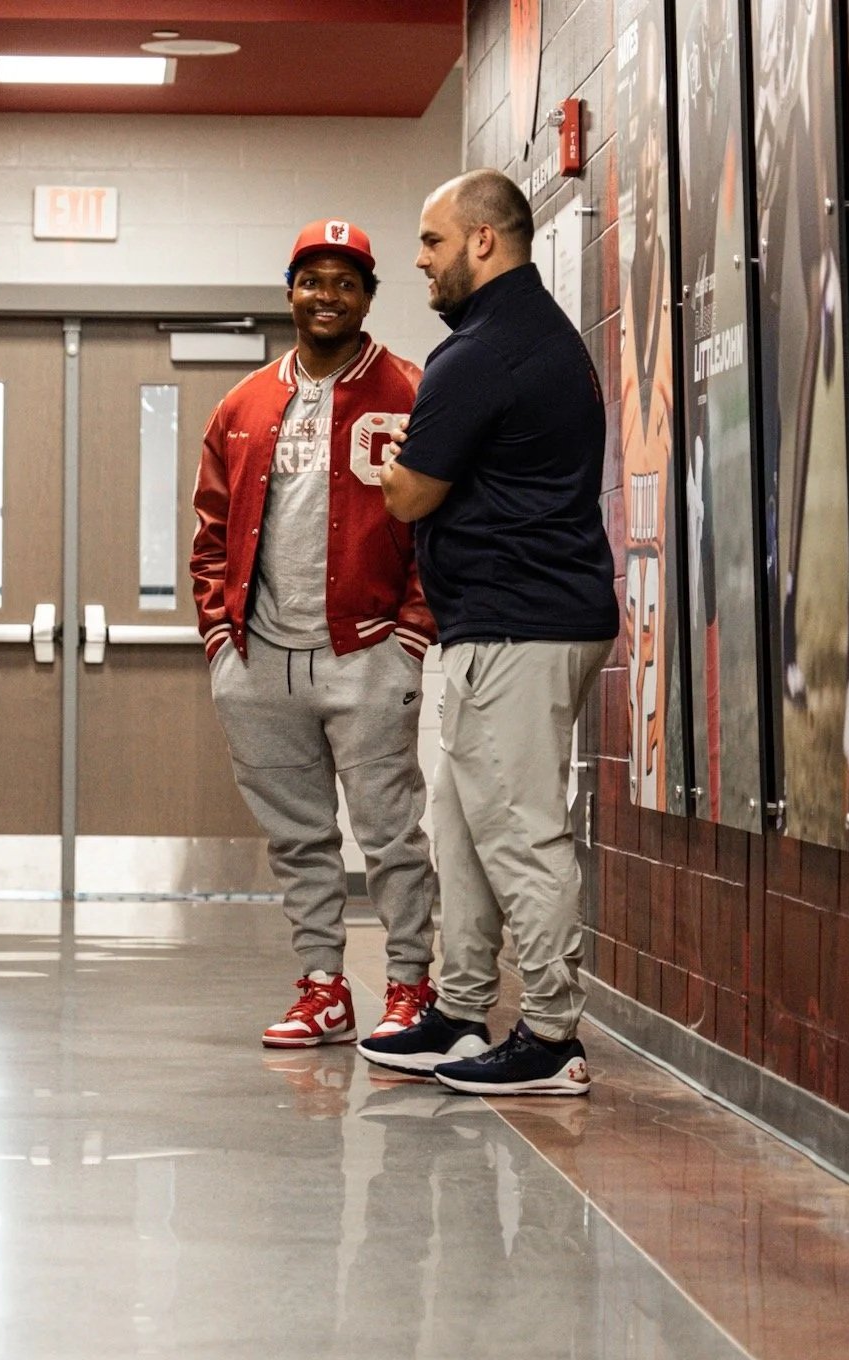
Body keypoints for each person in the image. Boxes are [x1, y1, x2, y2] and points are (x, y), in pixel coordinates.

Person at [359, 170, 618, 1096]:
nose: (419, 261)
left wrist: (391, 472)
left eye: (431, 242)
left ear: (482, 242)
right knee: (463, 826)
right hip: (506, 621)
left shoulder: (484, 352)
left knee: (519, 833)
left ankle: (551, 1036)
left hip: (520, 623)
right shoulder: (528, 338)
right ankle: (462, 1013)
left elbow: (416, 492)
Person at [192, 219, 440, 1049]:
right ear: (289, 290)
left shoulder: (410, 389)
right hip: (261, 660)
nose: (327, 296)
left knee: (390, 833)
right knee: (299, 839)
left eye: (345, 282)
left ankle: (409, 985)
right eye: (313, 280)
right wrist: (222, 638)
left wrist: (410, 631)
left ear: (368, 296)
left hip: (366, 651)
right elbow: (211, 530)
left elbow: (442, 526)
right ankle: (323, 988)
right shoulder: (244, 403)